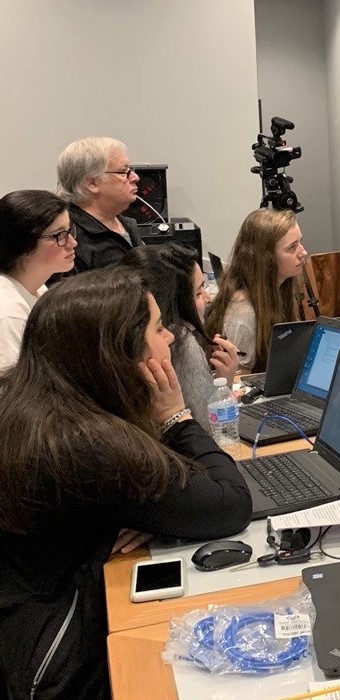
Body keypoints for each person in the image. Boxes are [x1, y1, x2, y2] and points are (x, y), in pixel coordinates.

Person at [0, 268, 251, 699]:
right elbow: (230, 505)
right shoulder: (86, 443)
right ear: (118, 350)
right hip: (59, 657)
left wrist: (149, 510)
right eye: (157, 328)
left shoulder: (37, 402)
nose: (170, 338)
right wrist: (176, 415)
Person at [122, 244, 241, 429]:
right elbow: (210, 428)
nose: (207, 298)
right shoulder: (181, 341)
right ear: (176, 301)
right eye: (198, 292)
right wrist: (224, 387)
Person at [204, 208, 307, 372]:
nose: (303, 252)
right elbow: (238, 385)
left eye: (300, 242)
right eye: (292, 247)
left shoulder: (280, 290)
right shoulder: (243, 315)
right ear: (266, 259)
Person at [0, 190, 76, 369]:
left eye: (70, 231)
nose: (72, 242)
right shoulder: (7, 314)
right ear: (23, 244)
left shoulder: (39, 288)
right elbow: (12, 393)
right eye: (59, 235)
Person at [51, 137, 142, 281]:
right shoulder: (67, 239)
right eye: (124, 172)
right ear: (92, 183)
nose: (135, 177)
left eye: (132, 170)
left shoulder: (126, 224)